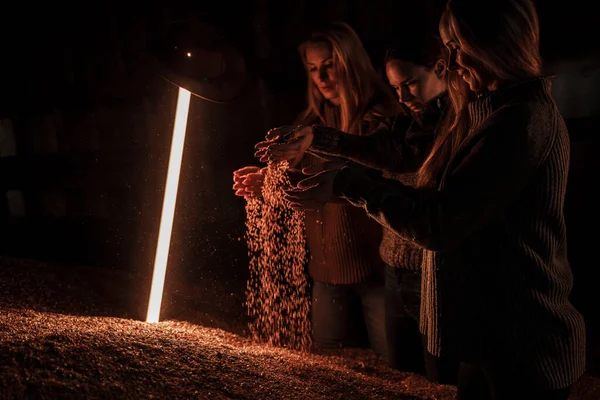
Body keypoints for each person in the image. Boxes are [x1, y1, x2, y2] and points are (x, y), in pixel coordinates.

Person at [281, 0, 586, 398]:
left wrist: (345, 184)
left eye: (457, 46)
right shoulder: (486, 111)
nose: (452, 61)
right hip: (492, 335)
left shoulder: (518, 121)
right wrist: (323, 145)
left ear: (494, 45)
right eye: (449, 47)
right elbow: (404, 160)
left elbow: (438, 221)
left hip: (523, 339)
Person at [259, 35, 455, 378]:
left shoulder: (443, 124)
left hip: (418, 269)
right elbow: (373, 160)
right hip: (382, 263)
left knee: (433, 377)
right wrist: (277, 174)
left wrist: (325, 164)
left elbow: (387, 163)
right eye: (397, 88)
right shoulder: (406, 121)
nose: (404, 97)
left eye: (409, 84)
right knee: (394, 375)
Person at [233, 21, 400, 358]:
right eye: (312, 69)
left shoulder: (381, 119)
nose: (321, 78)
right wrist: (265, 179)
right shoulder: (309, 121)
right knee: (326, 365)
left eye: (329, 66)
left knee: (392, 367)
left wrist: (282, 179)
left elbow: (356, 177)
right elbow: (294, 180)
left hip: (376, 270)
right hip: (326, 269)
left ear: (350, 62)